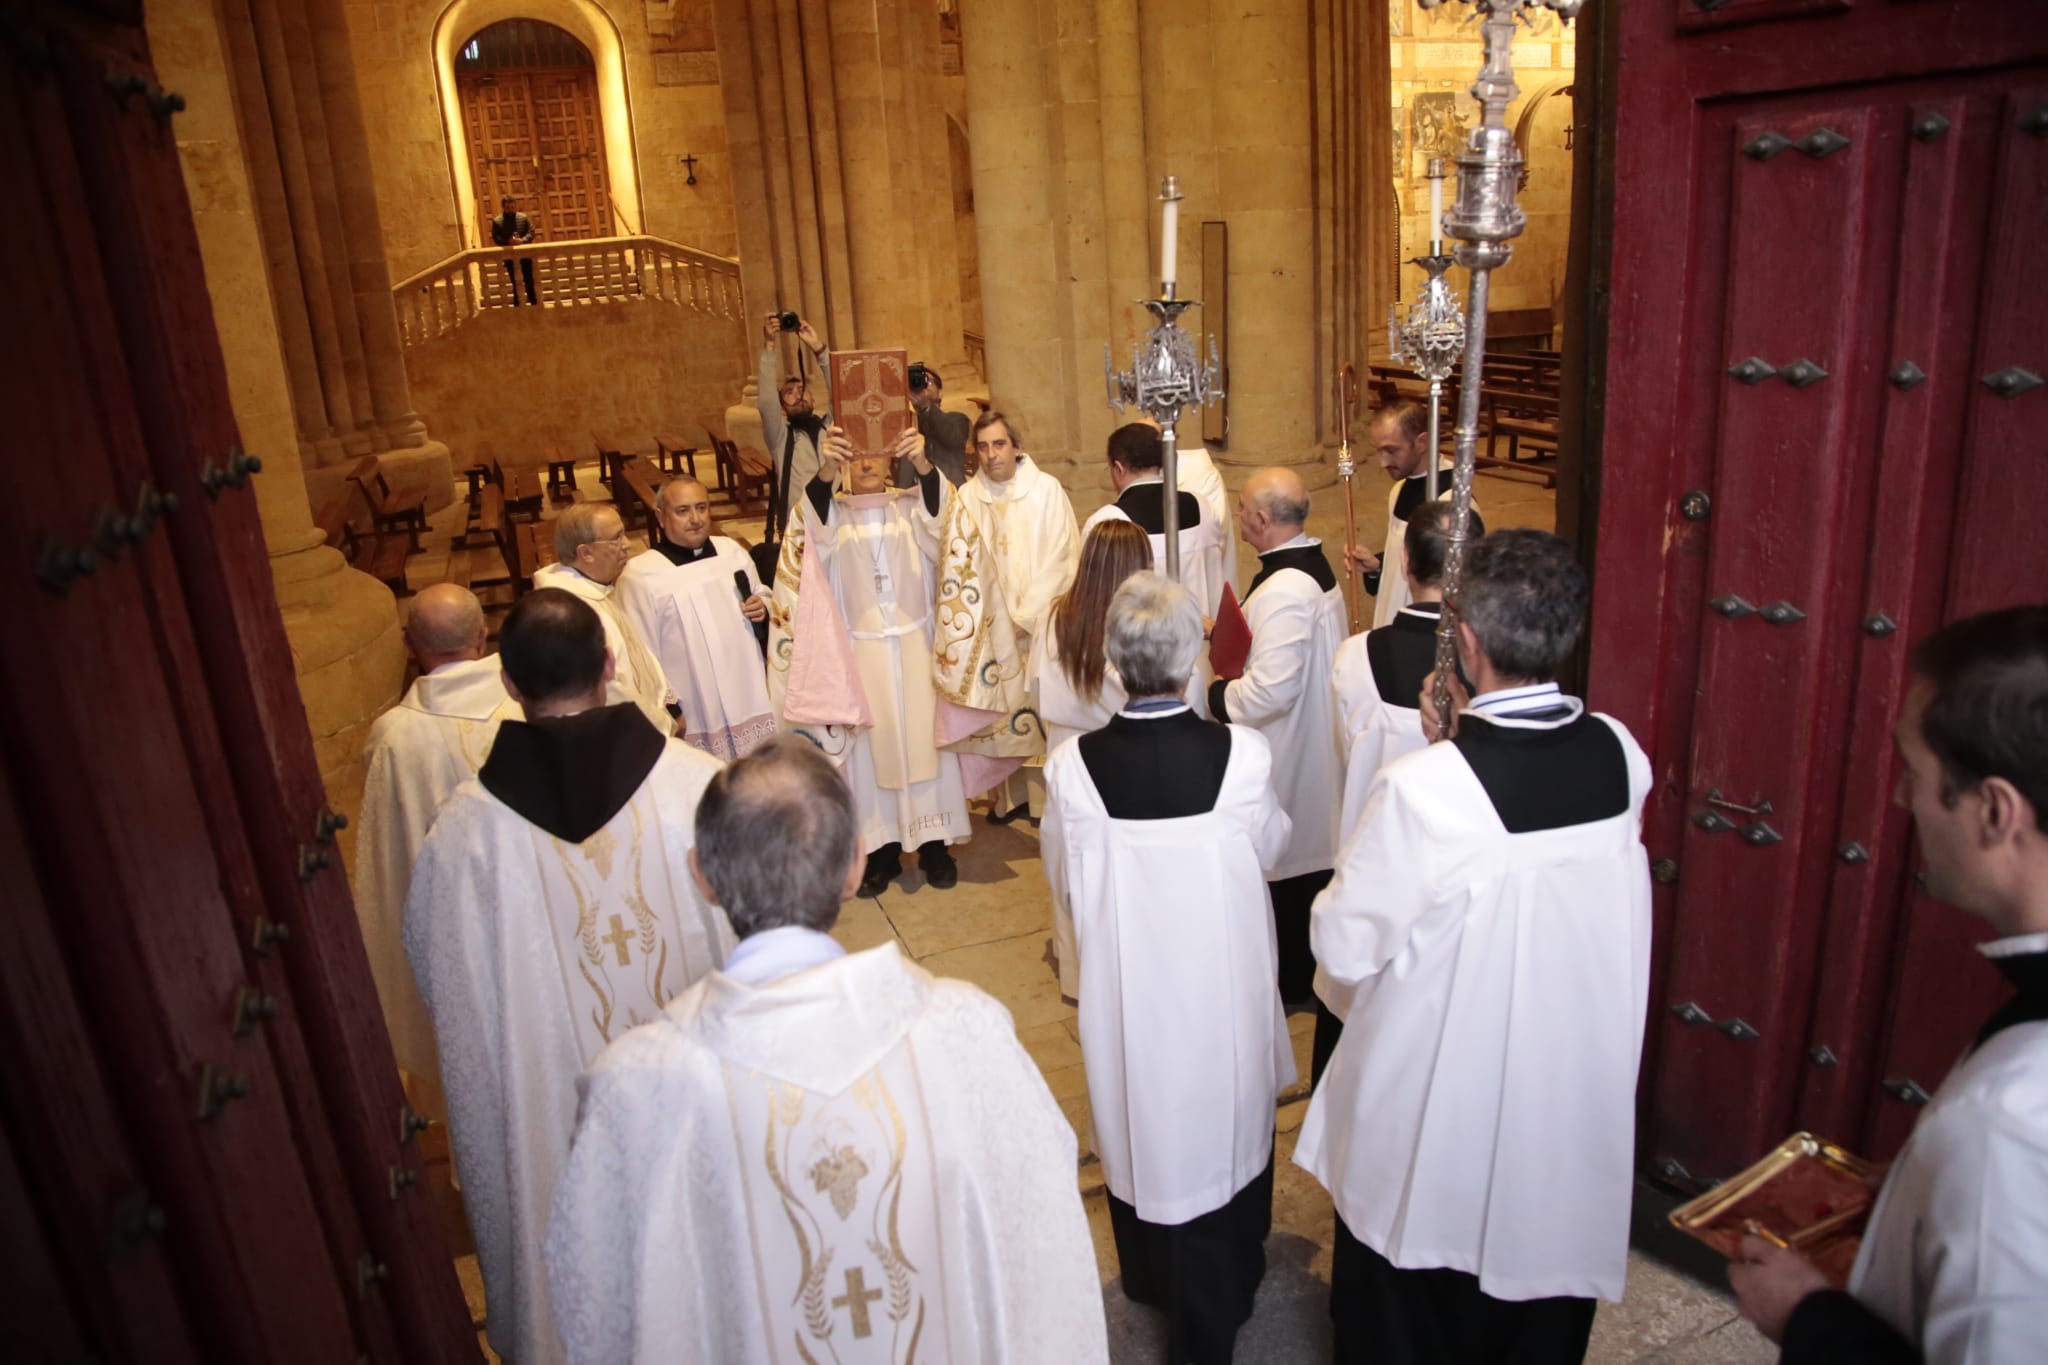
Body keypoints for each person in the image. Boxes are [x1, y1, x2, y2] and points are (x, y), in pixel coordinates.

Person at [545, 737, 1111, 1365]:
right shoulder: (967, 1033)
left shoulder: (634, 1087)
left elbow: (593, 1307)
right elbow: (1045, 1243)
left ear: (700, 875)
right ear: (853, 866)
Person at [1296, 529, 1652, 1365]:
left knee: (1415, 1307)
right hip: (1565, 1099)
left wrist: (1441, 758)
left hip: (1440, 1115)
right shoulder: (1622, 756)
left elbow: (1343, 945)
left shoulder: (1426, 791)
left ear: (1469, 644)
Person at [403, 590, 732, 1365]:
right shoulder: (701, 787)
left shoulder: (463, 837)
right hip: (696, 1118)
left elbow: (438, 975)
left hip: (558, 1136)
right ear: (611, 666)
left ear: (508, 683)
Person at [1729, 605, 2048, 1365]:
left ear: (1995, 809)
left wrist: (1807, 1316)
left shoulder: (2006, 1123)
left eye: (1916, 773)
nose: (1903, 800)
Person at [1042, 573, 1294, 1364]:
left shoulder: (1074, 767)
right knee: (1222, 1131)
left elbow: (1063, 879)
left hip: (1132, 1002)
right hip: (1221, 993)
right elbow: (1275, 849)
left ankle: (1150, 1271)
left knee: (1142, 1125)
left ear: (1115, 665)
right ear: (1194, 664)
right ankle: (1228, 1274)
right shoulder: (1242, 756)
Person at [1312, 501, 1483, 1082]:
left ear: (1405, 564)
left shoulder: (1357, 656)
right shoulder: (1493, 666)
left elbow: (1346, 750)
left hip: (1372, 867)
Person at [767, 425, 970, 896]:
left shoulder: (910, 506)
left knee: (927, 746)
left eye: (873, 455)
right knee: (868, 754)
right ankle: (879, 853)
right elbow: (810, 533)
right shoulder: (830, 514)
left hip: (915, 648)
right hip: (859, 652)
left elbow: (947, 526)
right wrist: (823, 473)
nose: (865, 464)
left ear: (889, 458)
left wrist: (923, 466)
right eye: (853, 457)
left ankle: (935, 845)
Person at [354, 584, 520, 1123]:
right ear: (482, 636)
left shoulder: (394, 738)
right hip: (532, 920)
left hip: (455, 936)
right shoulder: (525, 703)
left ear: (407, 644)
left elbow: (390, 858)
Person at [1207, 467, 1346, 1009]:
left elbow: (1269, 693)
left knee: (1290, 864)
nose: (1238, 517)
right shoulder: (1300, 567)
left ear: (1262, 518)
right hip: (1305, 738)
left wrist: (1216, 700)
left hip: (1292, 746)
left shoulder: (1288, 588)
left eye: (1242, 509)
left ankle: (1292, 987)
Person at [938, 411, 1081, 822]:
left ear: (1016, 447)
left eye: (999, 444)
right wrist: (991, 621)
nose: (991, 455)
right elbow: (956, 565)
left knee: (1037, 711)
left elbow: (1063, 557)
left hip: (1035, 629)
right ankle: (1005, 799)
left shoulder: (1047, 492)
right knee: (997, 713)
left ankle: (1039, 802)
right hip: (987, 632)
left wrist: (1026, 616)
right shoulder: (966, 498)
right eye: (982, 447)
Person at [616, 477, 775, 760]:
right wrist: (670, 708)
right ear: (660, 517)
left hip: (748, 692)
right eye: (683, 510)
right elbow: (640, 654)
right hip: (694, 708)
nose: (695, 519)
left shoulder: (732, 552)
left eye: (702, 508)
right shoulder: (641, 575)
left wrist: (762, 607)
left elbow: (764, 595)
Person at [534, 503, 673, 733]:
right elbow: (609, 690)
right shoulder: (573, 616)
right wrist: (664, 723)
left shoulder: (596, 589)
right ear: (585, 553)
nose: (627, 544)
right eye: (616, 538)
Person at [1346, 399, 1478, 628]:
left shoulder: (1452, 503)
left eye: (1392, 450)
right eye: (1378, 450)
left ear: (1422, 442)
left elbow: (1462, 587)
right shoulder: (1398, 491)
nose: (1382, 461)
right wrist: (1378, 567)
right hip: (1392, 626)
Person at [1083, 422, 1228, 625]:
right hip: (1199, 642)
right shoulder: (1204, 507)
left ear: (1118, 468)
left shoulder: (1108, 522)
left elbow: (1094, 601)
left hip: (1142, 650)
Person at [757, 312, 835, 530]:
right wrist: (769, 345)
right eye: (789, 392)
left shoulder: (829, 427)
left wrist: (818, 348)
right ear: (782, 407)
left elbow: (840, 391)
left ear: (813, 398)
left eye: (802, 389)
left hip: (837, 519)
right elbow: (765, 402)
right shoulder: (780, 438)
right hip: (801, 524)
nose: (797, 393)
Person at [910, 361, 971, 486]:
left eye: (928, 381)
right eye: (916, 382)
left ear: (940, 392)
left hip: (950, 491)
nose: (922, 386)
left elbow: (953, 439)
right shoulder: (906, 423)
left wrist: (926, 406)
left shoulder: (957, 419)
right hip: (914, 494)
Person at [490, 194, 537, 305]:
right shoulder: (497, 221)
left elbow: (531, 232)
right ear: (503, 207)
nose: (511, 210)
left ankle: (534, 302)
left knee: (529, 279)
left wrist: (522, 240)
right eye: (508, 208)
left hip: (525, 254)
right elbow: (496, 238)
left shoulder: (523, 218)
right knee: (515, 281)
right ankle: (518, 304)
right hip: (510, 257)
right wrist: (508, 242)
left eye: (512, 207)